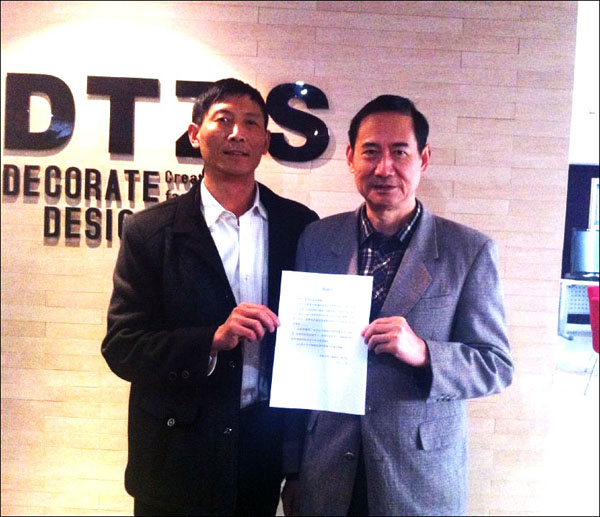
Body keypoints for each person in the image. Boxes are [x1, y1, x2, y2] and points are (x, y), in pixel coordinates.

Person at [281, 95, 514, 516]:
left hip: (418, 473)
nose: (384, 167)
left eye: (400, 152)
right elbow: (300, 360)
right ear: (350, 158)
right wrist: (293, 468)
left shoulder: (468, 251)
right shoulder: (317, 239)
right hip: (327, 467)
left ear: (423, 159)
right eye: (371, 151)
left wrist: (425, 353)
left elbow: (495, 365)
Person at [101, 78, 318, 516]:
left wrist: (297, 467)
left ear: (265, 142)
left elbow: (309, 347)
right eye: (224, 120)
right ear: (195, 133)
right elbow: (122, 347)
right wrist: (211, 340)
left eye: (251, 123)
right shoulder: (150, 231)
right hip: (175, 450)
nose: (238, 133)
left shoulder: (299, 226)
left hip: (261, 449)